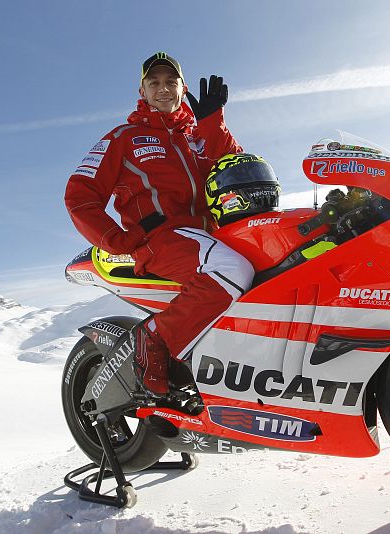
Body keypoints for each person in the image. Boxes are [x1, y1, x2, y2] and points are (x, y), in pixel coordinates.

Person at [64, 52, 254, 397]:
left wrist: (213, 122)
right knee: (232, 269)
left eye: (171, 81)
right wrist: (118, 240)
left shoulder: (199, 135)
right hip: (162, 237)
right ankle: (151, 340)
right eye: (155, 82)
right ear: (143, 89)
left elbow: (236, 168)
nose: (163, 88)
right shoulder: (124, 137)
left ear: (182, 88)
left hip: (214, 235)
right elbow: (80, 195)